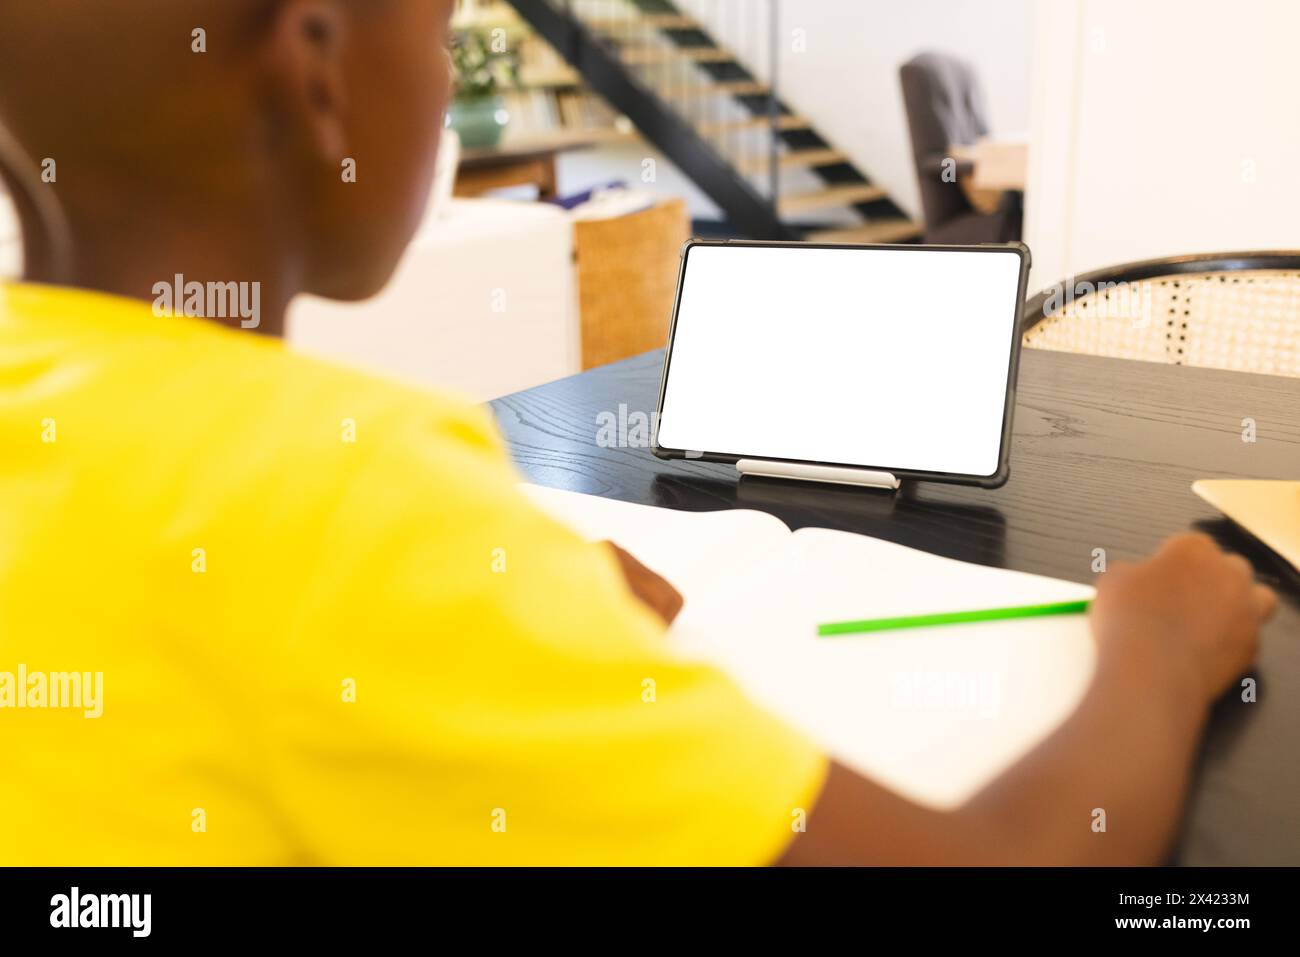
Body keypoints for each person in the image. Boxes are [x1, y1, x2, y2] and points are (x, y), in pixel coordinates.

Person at [0, 0, 1277, 866]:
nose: (449, 79)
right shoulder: (348, 505)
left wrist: (493, 634)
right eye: (445, 28)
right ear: (315, 68)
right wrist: (1155, 651)